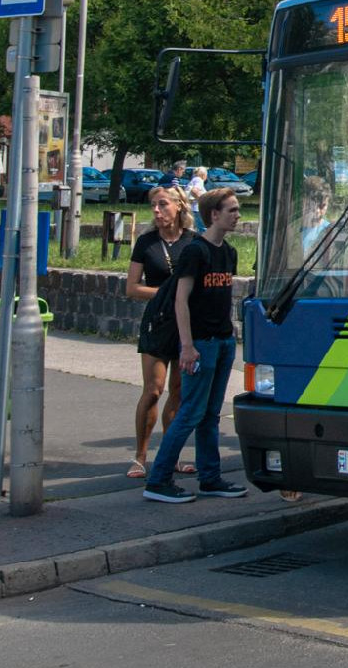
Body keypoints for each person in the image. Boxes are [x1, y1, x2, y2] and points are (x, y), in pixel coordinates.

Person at [144, 187, 247, 503]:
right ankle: (158, 479)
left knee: (210, 415)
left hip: (224, 341)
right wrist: (187, 346)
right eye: (232, 209)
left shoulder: (228, 252)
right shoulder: (195, 252)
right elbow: (181, 300)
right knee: (190, 412)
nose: (237, 215)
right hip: (201, 343)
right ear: (214, 214)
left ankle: (210, 478)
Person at [125, 187, 195, 480]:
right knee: (153, 390)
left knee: (178, 391)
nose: (156, 210)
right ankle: (140, 456)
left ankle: (170, 455)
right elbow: (132, 288)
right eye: (153, 205)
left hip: (185, 325)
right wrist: (167, 294)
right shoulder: (146, 242)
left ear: (179, 206)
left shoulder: (193, 242)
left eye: (162, 204)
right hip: (157, 322)